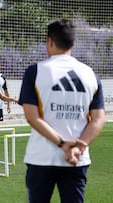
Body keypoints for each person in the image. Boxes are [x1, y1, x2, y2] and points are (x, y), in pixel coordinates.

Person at [18, 19, 105, 203]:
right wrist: (80, 145)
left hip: (42, 157)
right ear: (73, 43)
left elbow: (32, 117)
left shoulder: (35, 72)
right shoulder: (91, 74)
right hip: (77, 159)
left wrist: (62, 143)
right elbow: (98, 119)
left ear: (49, 41)